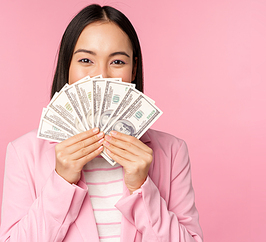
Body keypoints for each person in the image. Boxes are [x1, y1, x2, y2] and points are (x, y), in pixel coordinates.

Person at [0, 4, 203, 242]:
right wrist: (61, 182)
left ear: (133, 68)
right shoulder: (23, 153)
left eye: (117, 62)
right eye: (86, 60)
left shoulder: (172, 152)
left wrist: (141, 188)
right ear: (67, 66)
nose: (102, 77)